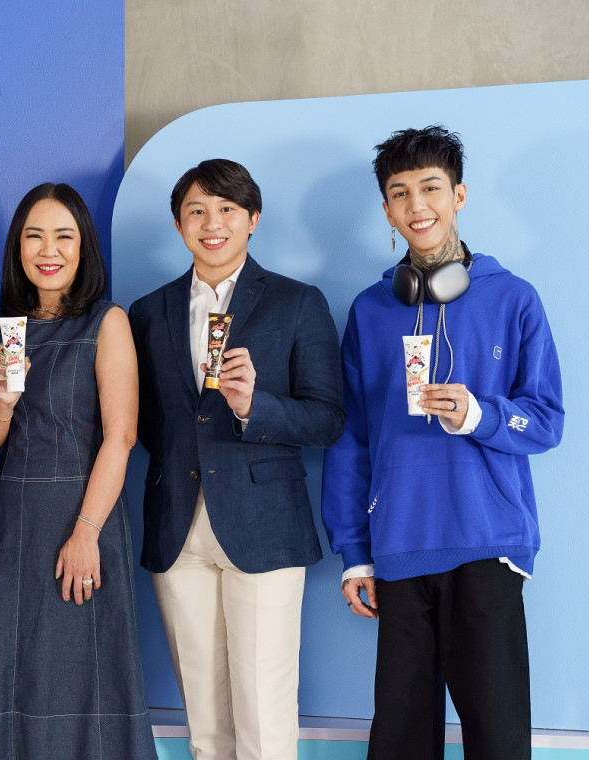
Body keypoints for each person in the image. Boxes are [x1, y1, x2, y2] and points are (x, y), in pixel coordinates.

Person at [321, 126, 564, 760]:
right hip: (399, 543)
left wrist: (480, 414)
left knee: (497, 737)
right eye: (400, 193)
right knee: (399, 738)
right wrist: (354, 553)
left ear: (458, 195)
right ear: (386, 210)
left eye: (430, 188)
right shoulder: (371, 311)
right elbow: (351, 439)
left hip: (488, 541)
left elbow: (546, 421)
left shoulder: (514, 298)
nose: (417, 205)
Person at [128, 159, 344, 760]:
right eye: (196, 211)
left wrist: (255, 408)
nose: (212, 223)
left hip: (263, 526)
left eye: (227, 209)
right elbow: (145, 424)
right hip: (178, 527)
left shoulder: (297, 302)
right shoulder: (148, 312)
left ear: (253, 219)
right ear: (178, 225)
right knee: (205, 722)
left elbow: (327, 419)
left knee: (264, 718)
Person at [0, 183, 158, 760]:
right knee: (11, 670)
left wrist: (86, 533)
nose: (48, 250)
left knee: (85, 677)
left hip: (84, 514)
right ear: (17, 248)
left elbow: (121, 436)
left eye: (63, 236)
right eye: (34, 236)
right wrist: (3, 402)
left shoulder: (108, 321)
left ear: (83, 247)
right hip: (12, 520)